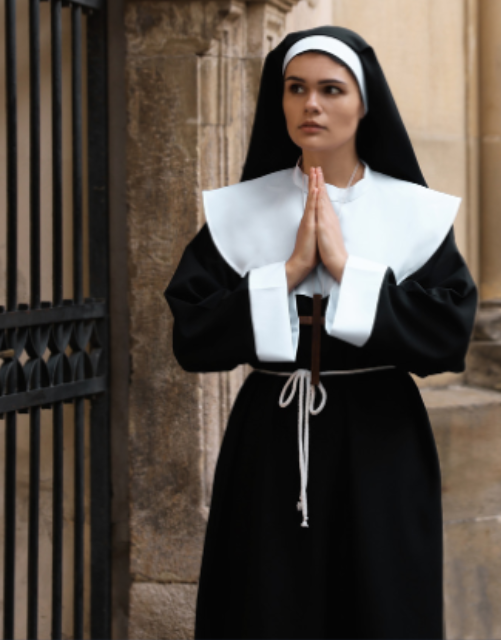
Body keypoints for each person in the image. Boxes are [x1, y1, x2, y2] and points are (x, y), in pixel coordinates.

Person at [163, 26, 478, 639]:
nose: (311, 104)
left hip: (383, 441)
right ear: (278, 100)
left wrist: (345, 269)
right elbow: (193, 336)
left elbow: (447, 337)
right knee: (266, 602)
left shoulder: (414, 213)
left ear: (364, 105)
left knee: (381, 601)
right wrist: (284, 274)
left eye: (331, 90)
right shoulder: (239, 212)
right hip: (270, 437)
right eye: (296, 88)